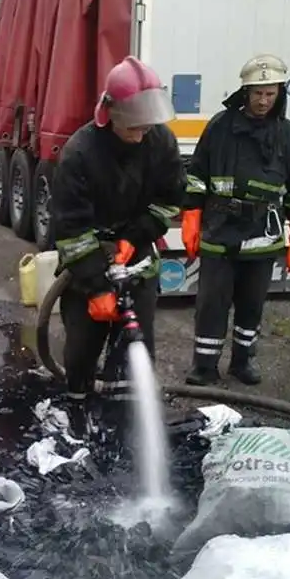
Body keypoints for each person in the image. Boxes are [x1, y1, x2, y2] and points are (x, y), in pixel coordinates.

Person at [51, 55, 186, 402]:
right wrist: (96, 287)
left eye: (147, 127)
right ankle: (77, 406)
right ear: (110, 114)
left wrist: (134, 238)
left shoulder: (162, 143)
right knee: (82, 346)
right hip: (88, 261)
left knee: (134, 347)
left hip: (137, 257)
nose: (142, 135)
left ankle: (124, 417)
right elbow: (70, 229)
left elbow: (169, 201)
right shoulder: (79, 154)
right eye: (134, 128)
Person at [180, 54, 290, 387]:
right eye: (257, 93)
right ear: (246, 92)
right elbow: (197, 175)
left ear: (279, 93)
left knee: (251, 306)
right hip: (219, 232)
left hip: (261, 236)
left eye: (270, 93)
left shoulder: (289, 135)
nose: (263, 100)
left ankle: (242, 362)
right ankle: (204, 367)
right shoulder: (220, 127)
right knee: (211, 303)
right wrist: (191, 216)